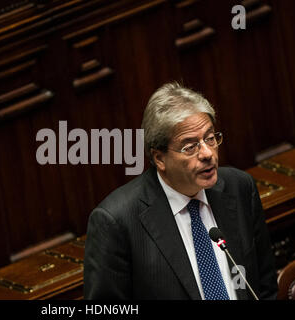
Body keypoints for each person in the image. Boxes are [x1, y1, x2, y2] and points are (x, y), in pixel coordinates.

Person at [84, 82, 278, 300]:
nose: (207, 153)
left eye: (210, 138)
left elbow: (265, 286)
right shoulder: (117, 222)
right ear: (160, 158)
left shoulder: (239, 188)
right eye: (190, 146)